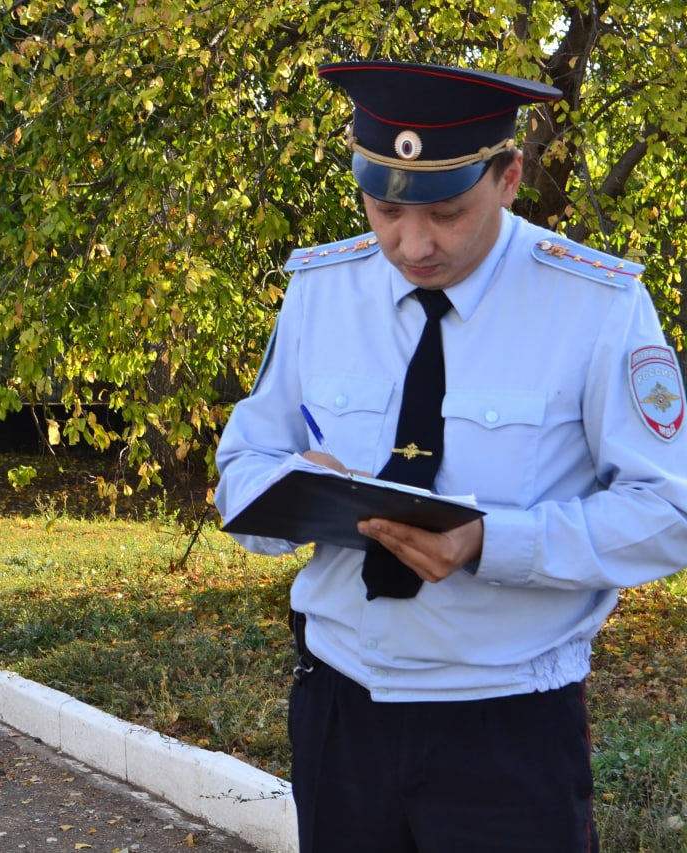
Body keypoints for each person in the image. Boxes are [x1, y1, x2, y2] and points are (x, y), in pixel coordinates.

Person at [215, 60, 687, 852]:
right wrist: (292, 492)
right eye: (385, 207)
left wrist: (488, 542)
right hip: (339, 713)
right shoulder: (321, 291)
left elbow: (668, 509)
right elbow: (242, 464)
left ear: (507, 177)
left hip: (504, 725)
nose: (411, 243)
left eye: (446, 211)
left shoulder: (596, 306)